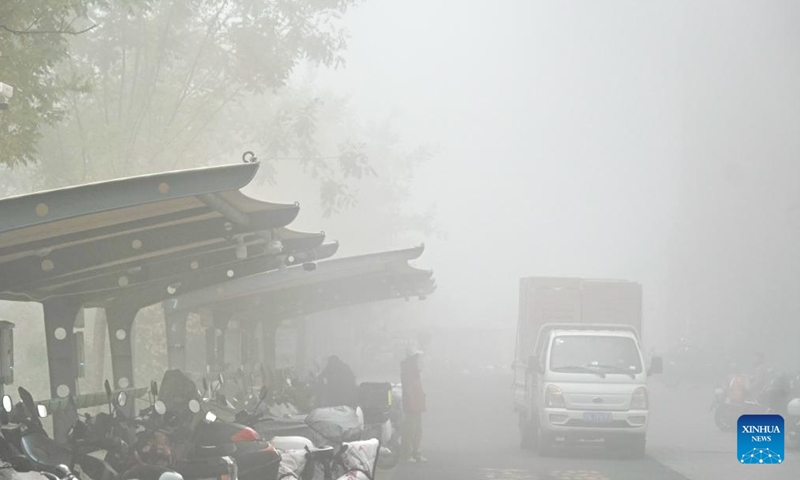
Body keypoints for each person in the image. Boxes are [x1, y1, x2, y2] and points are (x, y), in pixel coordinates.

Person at [400, 349, 427, 463]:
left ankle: (416, 453)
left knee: (417, 430)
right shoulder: (408, 369)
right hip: (412, 404)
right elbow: (408, 388)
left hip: (417, 403)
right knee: (410, 430)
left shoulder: (414, 369)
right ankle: (407, 454)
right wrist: (411, 402)